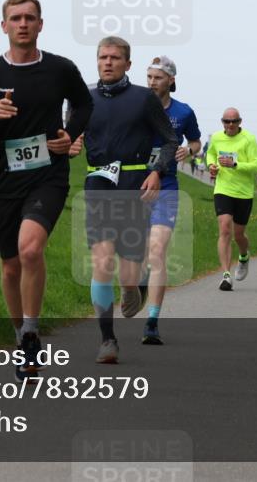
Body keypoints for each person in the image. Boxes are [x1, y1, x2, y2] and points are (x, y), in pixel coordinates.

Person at [0, 0, 93, 381]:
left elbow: (84, 104)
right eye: (15, 18)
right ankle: (20, 334)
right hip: (5, 182)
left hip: (47, 175)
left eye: (29, 18)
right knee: (9, 266)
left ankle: (33, 332)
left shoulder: (60, 69)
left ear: (40, 25)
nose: (22, 24)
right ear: (4, 26)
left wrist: (70, 133)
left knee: (30, 249)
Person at [70, 37, 178, 363]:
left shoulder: (144, 99)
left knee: (128, 270)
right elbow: (67, 136)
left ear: (127, 64)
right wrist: (69, 143)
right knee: (102, 261)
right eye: (103, 57)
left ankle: (133, 286)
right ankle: (107, 340)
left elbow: (171, 141)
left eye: (115, 58)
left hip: (135, 186)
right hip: (98, 184)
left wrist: (157, 171)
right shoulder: (83, 99)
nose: (108, 62)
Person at [138, 55, 201, 344]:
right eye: (149, 77)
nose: (152, 82)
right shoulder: (135, 104)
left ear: (171, 81)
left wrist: (189, 150)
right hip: (134, 186)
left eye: (158, 78)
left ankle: (152, 321)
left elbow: (197, 142)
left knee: (157, 251)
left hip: (166, 186)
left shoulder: (184, 112)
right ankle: (139, 280)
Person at [207, 109, 257, 290]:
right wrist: (211, 165)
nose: (230, 125)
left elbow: (256, 165)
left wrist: (235, 164)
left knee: (238, 235)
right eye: (226, 121)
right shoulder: (216, 138)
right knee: (224, 228)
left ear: (240, 122)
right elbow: (210, 154)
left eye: (234, 121)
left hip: (244, 193)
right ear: (222, 122)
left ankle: (244, 256)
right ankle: (226, 275)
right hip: (223, 189)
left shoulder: (248, 139)